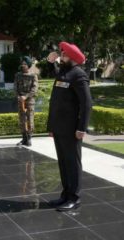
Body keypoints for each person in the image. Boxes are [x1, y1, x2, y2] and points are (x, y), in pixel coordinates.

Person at [47, 42, 92, 211]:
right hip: (59, 127)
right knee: (64, 162)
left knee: (73, 163)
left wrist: (82, 128)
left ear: (72, 58)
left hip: (72, 129)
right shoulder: (64, 73)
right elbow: (56, 96)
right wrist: (50, 62)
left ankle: (74, 197)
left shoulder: (78, 75)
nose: (61, 56)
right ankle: (65, 194)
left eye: (64, 55)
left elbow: (87, 104)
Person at [14, 56, 38, 146]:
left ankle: (29, 137)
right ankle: (24, 138)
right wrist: (18, 96)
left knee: (30, 118)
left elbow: (34, 89)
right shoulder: (18, 75)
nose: (23, 65)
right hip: (20, 100)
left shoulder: (33, 76)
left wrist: (26, 96)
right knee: (22, 119)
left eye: (24, 64)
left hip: (30, 100)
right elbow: (15, 87)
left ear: (28, 65)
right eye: (22, 64)